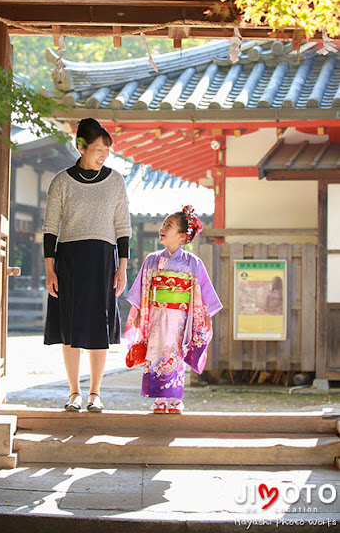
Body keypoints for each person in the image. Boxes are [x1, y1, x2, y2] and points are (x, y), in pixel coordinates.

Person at [43, 118, 131, 413]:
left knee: (99, 328)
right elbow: (50, 229)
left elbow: (123, 227)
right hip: (69, 260)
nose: (103, 154)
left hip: (103, 261)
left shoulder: (116, 181)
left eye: (106, 149)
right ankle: (73, 392)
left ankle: (95, 393)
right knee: (70, 328)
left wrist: (122, 267)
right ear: (80, 146)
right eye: (97, 148)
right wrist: (49, 270)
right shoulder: (61, 182)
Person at [125, 205, 222, 414]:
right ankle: (159, 399)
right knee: (155, 352)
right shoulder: (151, 259)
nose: (162, 228)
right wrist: (139, 312)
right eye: (162, 224)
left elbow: (203, 295)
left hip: (180, 319)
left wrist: (203, 318)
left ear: (182, 236)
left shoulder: (193, 263)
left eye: (168, 225)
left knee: (175, 354)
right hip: (156, 316)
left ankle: (175, 398)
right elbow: (142, 289)